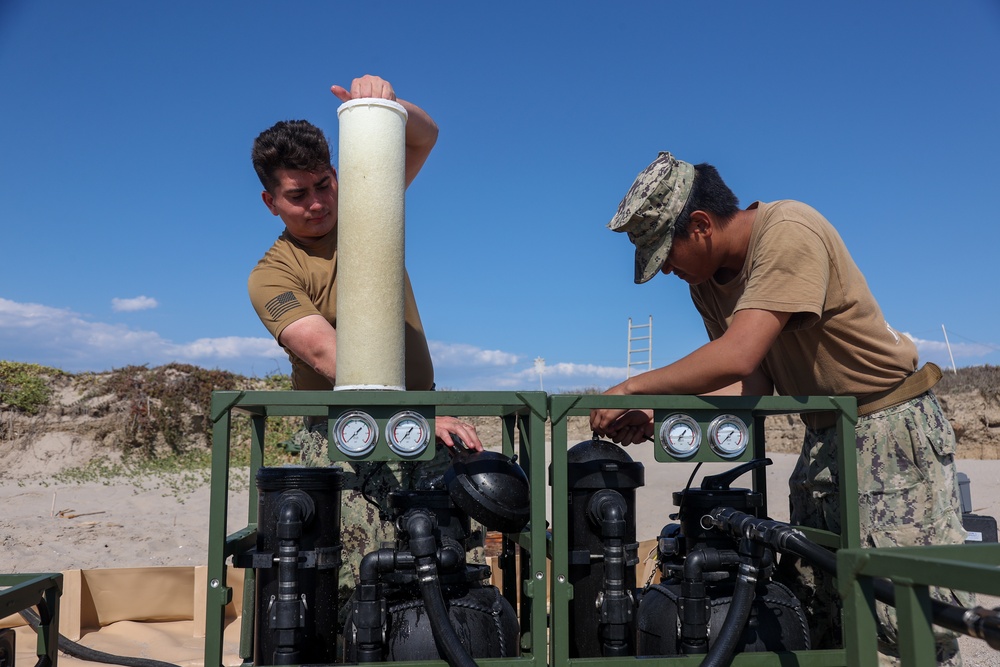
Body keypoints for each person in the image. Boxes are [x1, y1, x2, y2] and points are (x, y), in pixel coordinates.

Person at [590, 152, 970, 666]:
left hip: (888, 428)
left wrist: (633, 388)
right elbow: (751, 380)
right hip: (822, 437)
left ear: (700, 226)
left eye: (667, 256)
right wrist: (660, 412)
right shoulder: (707, 283)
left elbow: (739, 352)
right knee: (822, 601)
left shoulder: (789, 230)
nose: (668, 274)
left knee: (905, 611)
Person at [248, 74, 484, 614]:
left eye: (324, 185)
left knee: (443, 570)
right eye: (297, 195)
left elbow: (425, 136)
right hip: (343, 437)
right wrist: (418, 421)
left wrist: (386, 106)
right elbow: (329, 355)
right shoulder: (272, 276)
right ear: (271, 202)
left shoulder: (367, 206)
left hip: (421, 417)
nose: (317, 204)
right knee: (359, 582)